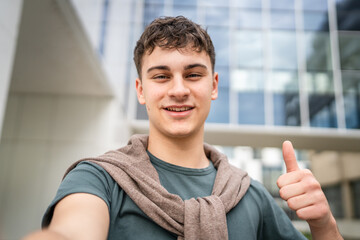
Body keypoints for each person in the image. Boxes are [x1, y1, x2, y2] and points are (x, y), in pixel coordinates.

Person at [24, 16, 343, 240]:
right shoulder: (100, 179)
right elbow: (69, 232)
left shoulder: (250, 195)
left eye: (193, 74)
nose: (178, 89)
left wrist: (323, 223)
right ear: (140, 90)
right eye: (161, 76)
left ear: (214, 85)